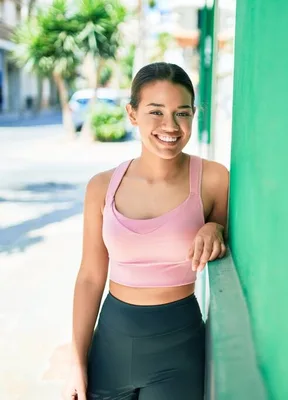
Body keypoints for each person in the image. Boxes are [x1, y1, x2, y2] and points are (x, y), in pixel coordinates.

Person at [64, 62, 229, 399]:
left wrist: (215, 227)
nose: (170, 125)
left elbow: (225, 234)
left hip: (179, 349)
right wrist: (77, 361)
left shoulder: (213, 179)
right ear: (132, 113)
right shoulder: (101, 186)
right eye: (156, 111)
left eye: (182, 113)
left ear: (193, 115)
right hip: (110, 346)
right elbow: (90, 277)